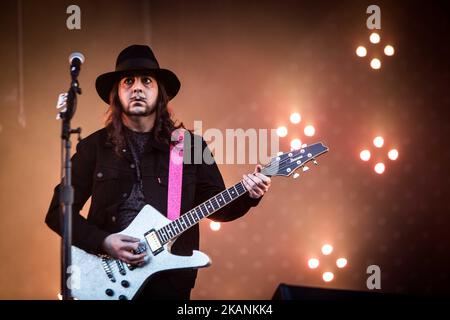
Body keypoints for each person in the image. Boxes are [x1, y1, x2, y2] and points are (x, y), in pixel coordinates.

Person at [45, 44, 271, 300]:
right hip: (104, 281)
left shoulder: (191, 146)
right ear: (116, 94)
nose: (137, 88)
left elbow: (219, 207)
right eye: (127, 81)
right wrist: (103, 241)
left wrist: (250, 194)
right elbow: (58, 212)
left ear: (160, 93)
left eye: (146, 81)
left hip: (169, 285)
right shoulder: (94, 147)